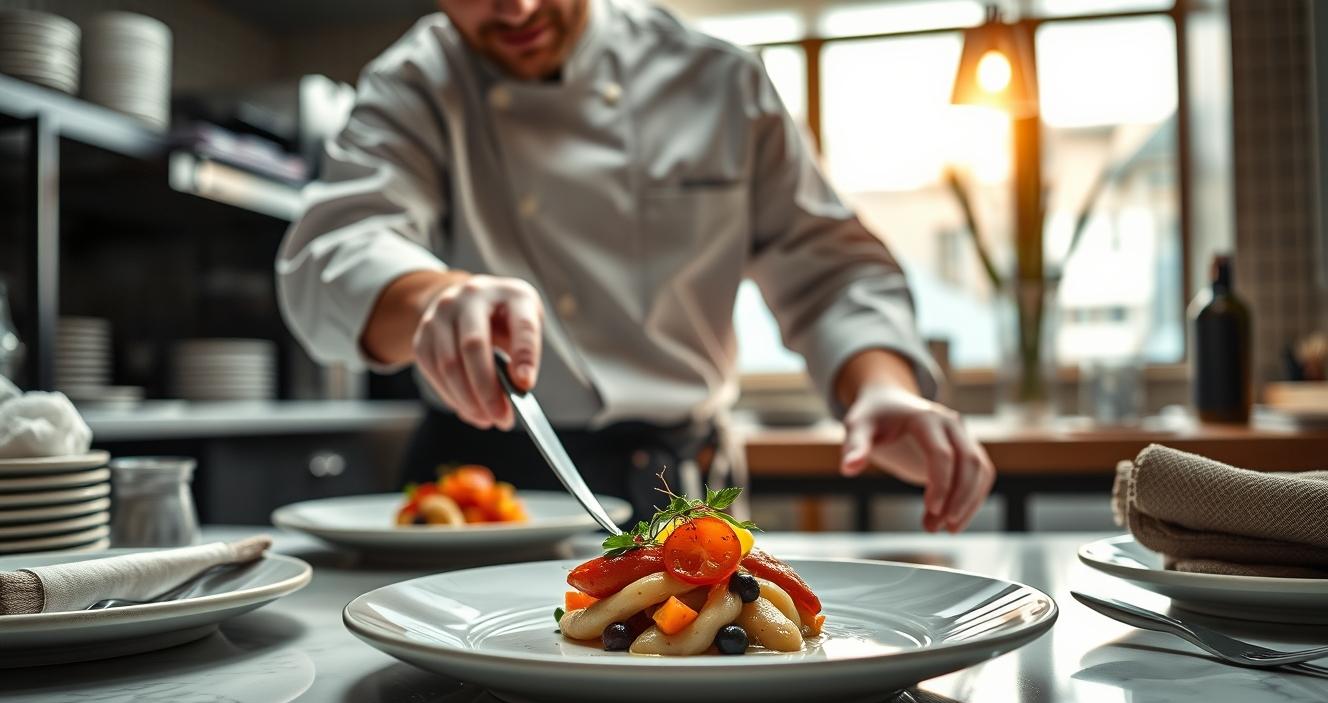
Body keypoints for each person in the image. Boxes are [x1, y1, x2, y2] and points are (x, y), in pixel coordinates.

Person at [277, 0, 995, 532]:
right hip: (490, 497)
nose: (517, 9)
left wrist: (881, 387)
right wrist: (434, 297)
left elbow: (830, 267)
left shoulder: (718, 81)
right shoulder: (413, 85)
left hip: (690, 487)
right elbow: (336, 248)